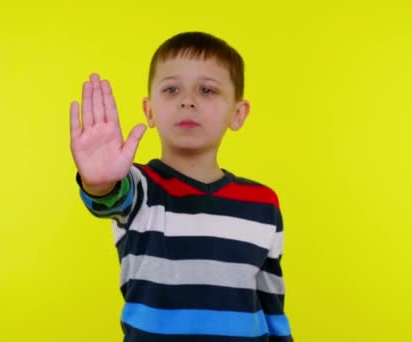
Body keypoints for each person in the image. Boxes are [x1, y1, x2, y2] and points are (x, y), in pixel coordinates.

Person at [69, 31, 293, 342]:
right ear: (149, 111)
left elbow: (272, 303)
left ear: (237, 114)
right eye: (172, 89)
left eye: (207, 90)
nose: (187, 101)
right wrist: (101, 183)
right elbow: (111, 198)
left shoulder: (263, 203)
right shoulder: (141, 189)